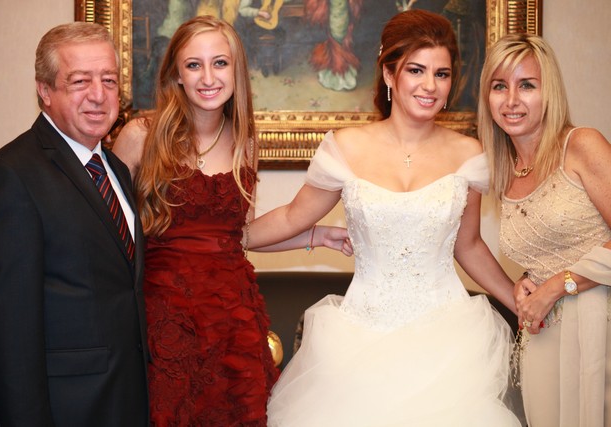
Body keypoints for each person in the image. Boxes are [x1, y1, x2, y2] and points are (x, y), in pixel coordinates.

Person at [244, 9, 522, 426]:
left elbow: (468, 245)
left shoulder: (470, 155)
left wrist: (519, 301)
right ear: (389, 74)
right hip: (359, 337)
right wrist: (227, 237)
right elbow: (291, 217)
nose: (430, 86)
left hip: (447, 341)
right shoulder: (345, 148)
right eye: (416, 70)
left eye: (442, 74)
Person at [112, 15, 349, 426]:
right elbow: (106, 233)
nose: (208, 77)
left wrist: (317, 235)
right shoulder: (140, 136)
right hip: (161, 319)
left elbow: (238, 236)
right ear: (177, 74)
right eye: (194, 65)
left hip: (231, 320)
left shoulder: (246, 142)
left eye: (219, 63)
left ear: (236, 70)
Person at [0, 22, 149, 426]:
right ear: (45, 91)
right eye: (80, 81)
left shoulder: (116, 169)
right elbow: (6, 332)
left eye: (108, 80)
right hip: (64, 409)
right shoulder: (9, 177)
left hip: (127, 400)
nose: (98, 95)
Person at [478, 33, 611, 427]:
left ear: (548, 91)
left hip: (600, 321)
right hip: (542, 333)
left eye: (527, 85)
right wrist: (524, 285)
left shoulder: (581, 145)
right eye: (499, 86)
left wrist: (557, 285)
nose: (511, 100)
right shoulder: (502, 171)